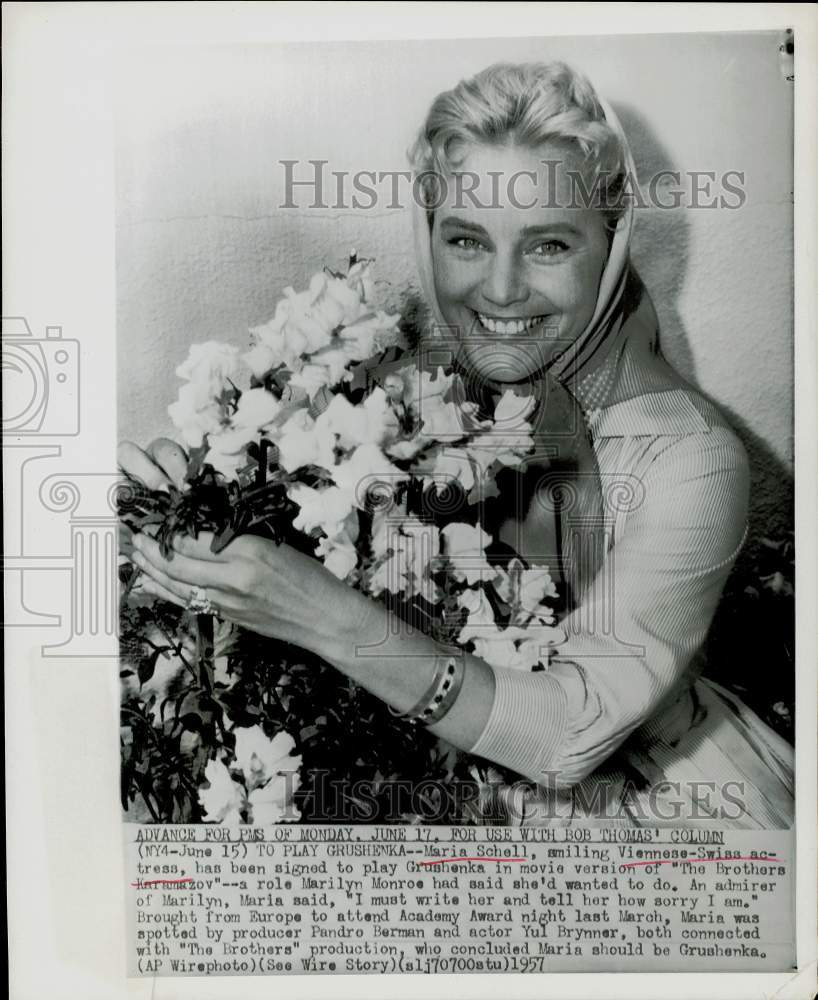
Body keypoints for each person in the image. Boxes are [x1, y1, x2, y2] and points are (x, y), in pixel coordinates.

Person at [120, 61, 794, 828]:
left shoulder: (690, 457)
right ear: (427, 232)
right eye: (468, 239)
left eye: (547, 246)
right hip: (426, 776)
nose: (500, 291)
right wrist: (195, 509)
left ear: (611, 242)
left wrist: (317, 611)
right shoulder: (415, 387)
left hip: (649, 811)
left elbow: (570, 734)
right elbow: (314, 550)